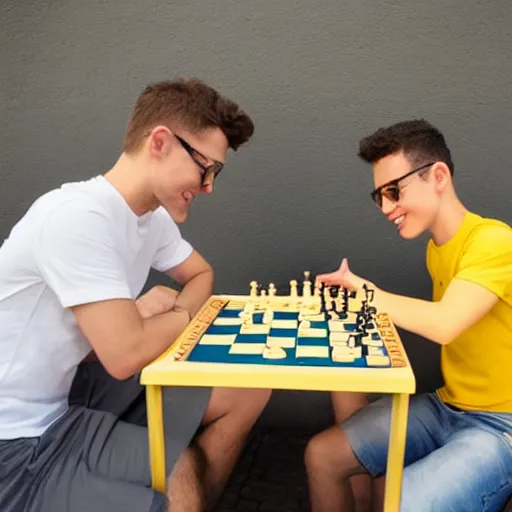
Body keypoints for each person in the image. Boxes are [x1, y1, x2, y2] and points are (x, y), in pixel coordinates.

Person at [0, 78, 271, 512]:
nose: (208, 186)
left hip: (69, 396)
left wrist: (159, 317)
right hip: (14, 440)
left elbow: (201, 273)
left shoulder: (151, 218)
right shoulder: (76, 217)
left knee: (246, 389)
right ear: (160, 141)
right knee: (177, 479)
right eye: (206, 167)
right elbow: (125, 353)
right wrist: (171, 321)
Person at [305, 119, 512, 512]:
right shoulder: (437, 249)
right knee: (322, 455)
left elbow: (445, 323)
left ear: (438, 176)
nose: (386, 208)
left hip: (503, 424)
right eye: (379, 195)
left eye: (394, 191)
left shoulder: (494, 242)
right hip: (447, 407)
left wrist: (369, 295)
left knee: (405, 501)